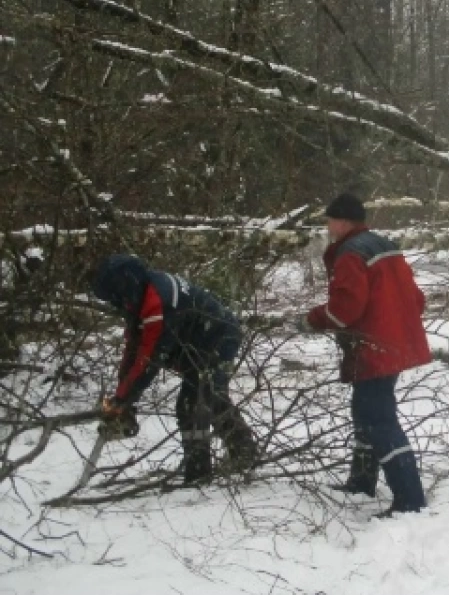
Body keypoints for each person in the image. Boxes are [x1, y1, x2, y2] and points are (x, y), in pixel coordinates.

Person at [296, 193, 431, 516]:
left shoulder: (350, 254)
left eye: (330, 221)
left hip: (374, 346)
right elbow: (418, 299)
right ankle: (361, 481)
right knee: (365, 412)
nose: (328, 227)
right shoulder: (385, 245)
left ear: (343, 222)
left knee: (378, 419)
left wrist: (312, 319)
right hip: (394, 342)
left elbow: (346, 309)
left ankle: (410, 497)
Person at [90, 255, 257, 485]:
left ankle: (199, 474)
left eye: (115, 298)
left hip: (217, 337)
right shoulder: (140, 298)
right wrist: (122, 394)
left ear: (123, 286)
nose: (117, 304)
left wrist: (125, 397)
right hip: (196, 343)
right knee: (213, 398)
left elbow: (150, 357)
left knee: (192, 403)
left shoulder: (156, 301)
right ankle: (245, 453)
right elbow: (133, 348)